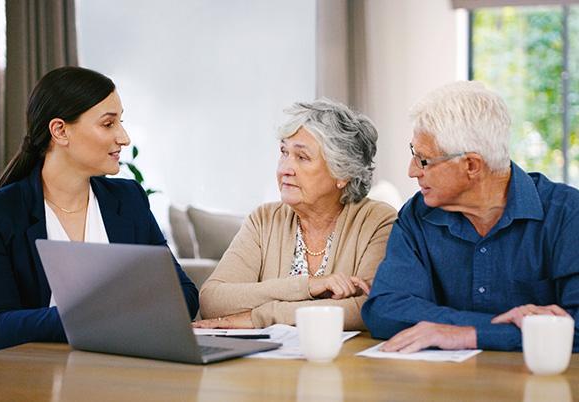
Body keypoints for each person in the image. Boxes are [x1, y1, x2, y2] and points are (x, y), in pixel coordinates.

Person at [0, 66, 199, 354]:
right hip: (32, 380)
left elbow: (184, 295)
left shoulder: (128, 199)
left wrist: (106, 315)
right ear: (60, 131)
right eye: (108, 124)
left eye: (121, 122)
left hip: (119, 369)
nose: (124, 137)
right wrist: (105, 314)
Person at [362, 81, 579, 352]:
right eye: (413, 155)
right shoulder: (417, 215)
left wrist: (466, 335)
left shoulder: (568, 215)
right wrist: (492, 328)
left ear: (471, 165)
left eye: (424, 160)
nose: (412, 171)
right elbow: (385, 310)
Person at [195, 99, 396, 330]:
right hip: (266, 363)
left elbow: (366, 308)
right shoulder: (264, 219)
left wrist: (258, 317)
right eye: (284, 153)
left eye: (302, 157)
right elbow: (212, 300)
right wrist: (308, 286)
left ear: (343, 173)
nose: (284, 169)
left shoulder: (377, 221)